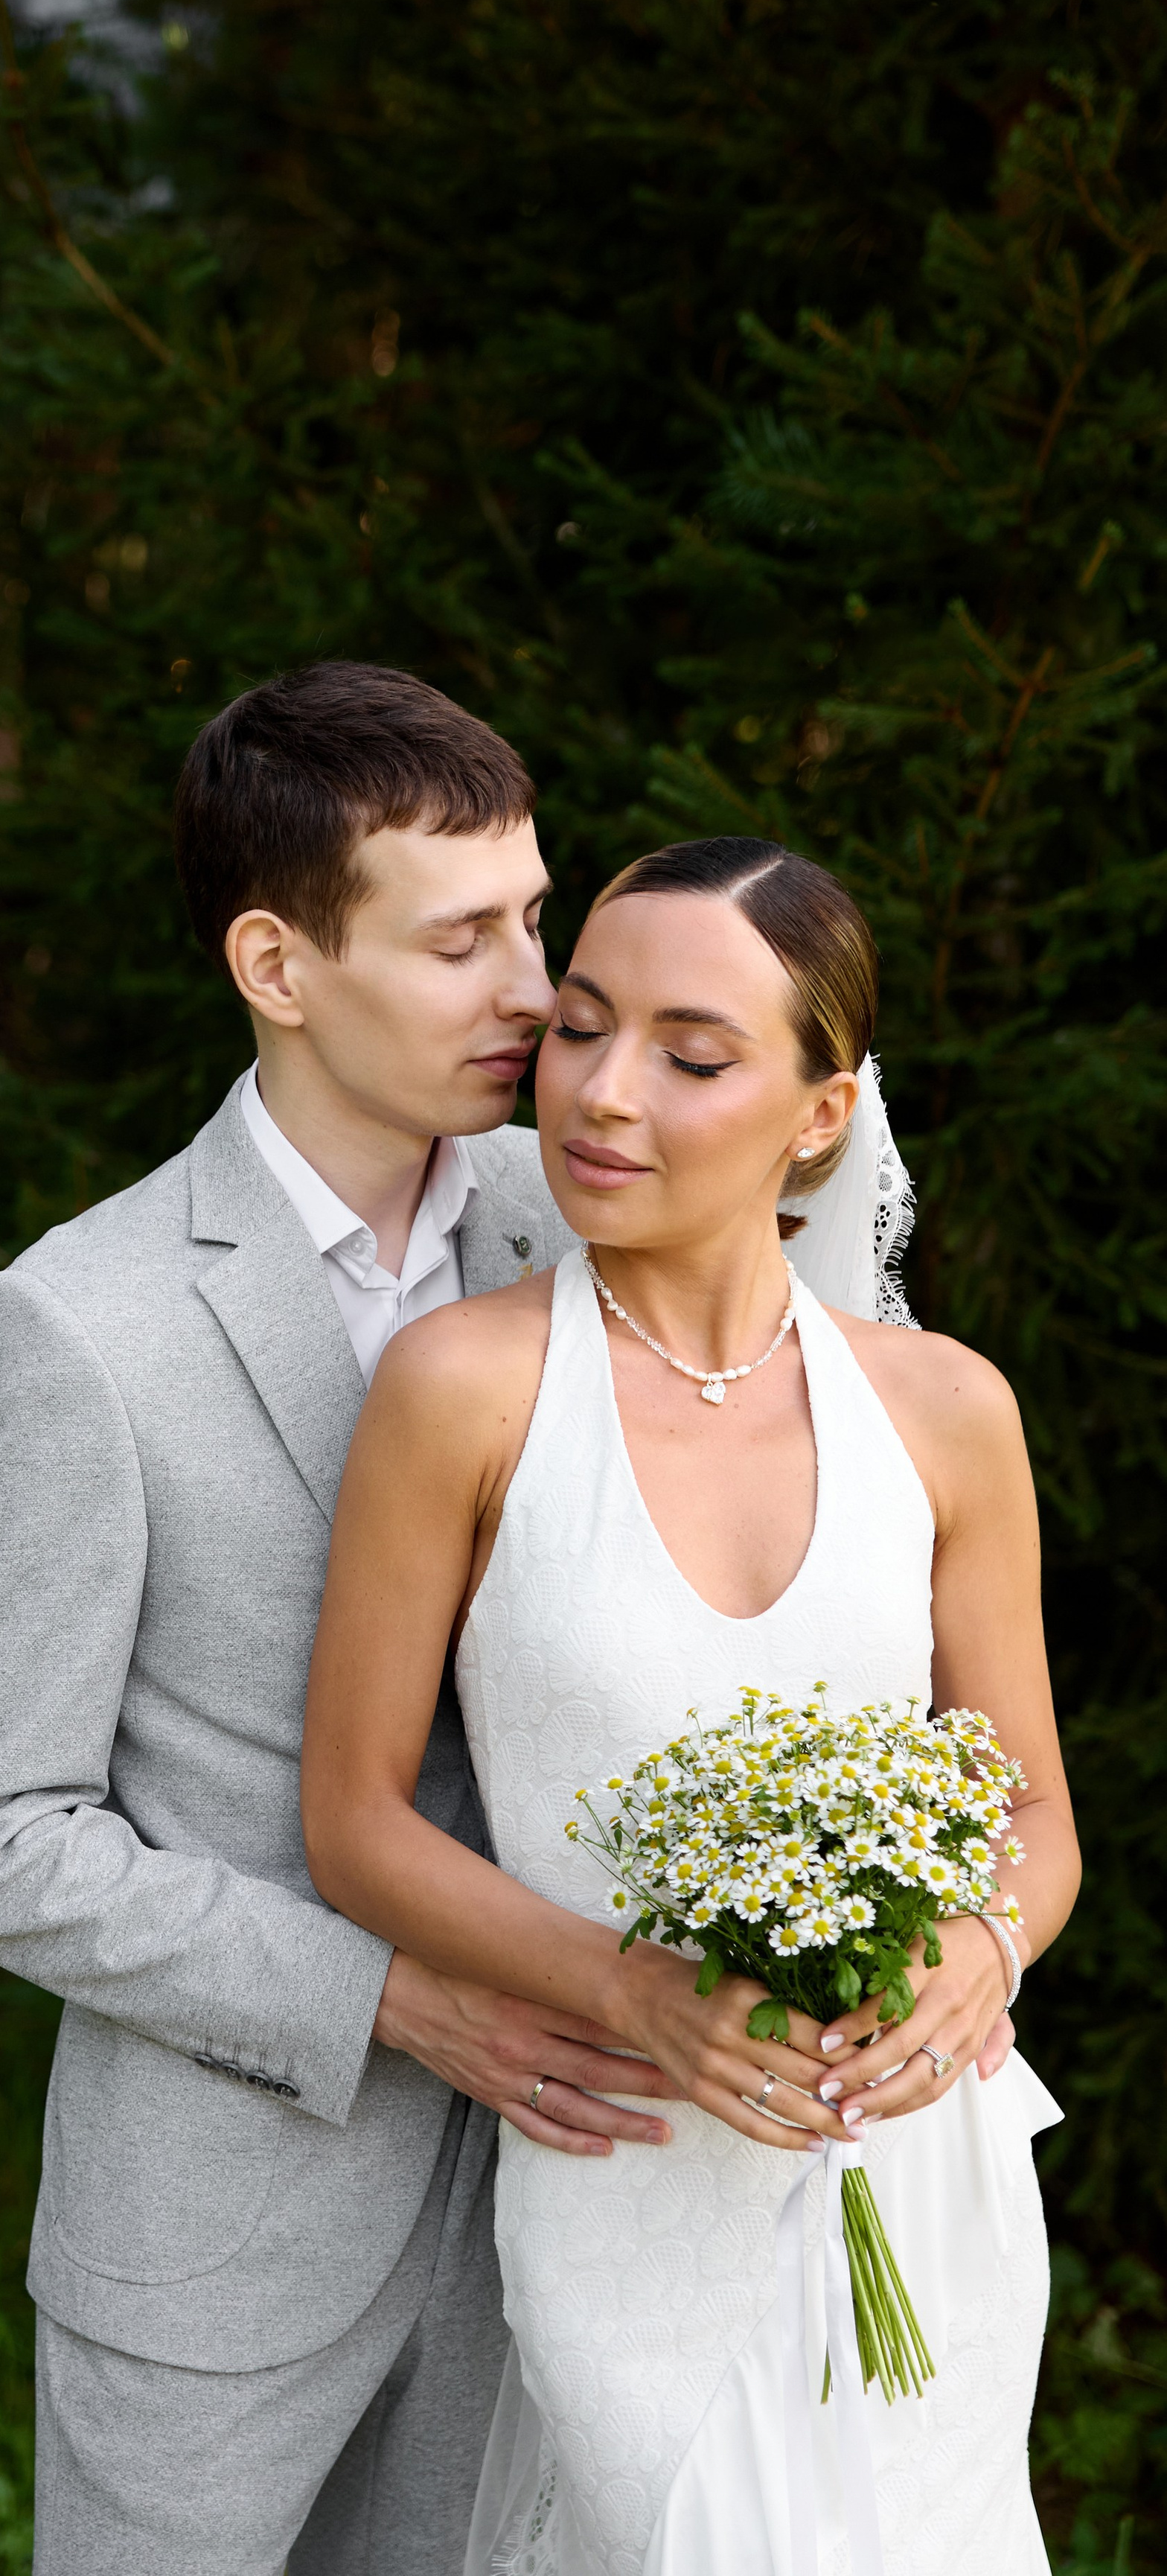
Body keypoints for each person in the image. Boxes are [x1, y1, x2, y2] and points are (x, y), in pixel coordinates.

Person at [0, 662, 682, 2576]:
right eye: (462, 938)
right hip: (216, 2238)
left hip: (568, 2221)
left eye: (533, 918)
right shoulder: (81, 1332)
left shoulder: (592, 1224)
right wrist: (392, 1998)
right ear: (276, 962)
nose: (533, 990)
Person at [302, 835, 1075, 2575]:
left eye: (691, 1055)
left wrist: (976, 1952)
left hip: (916, 2165)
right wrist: (627, 1991)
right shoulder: (465, 1388)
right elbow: (349, 1820)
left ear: (821, 1111)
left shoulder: (946, 1412)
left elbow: (1031, 1814)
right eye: (578, 1029)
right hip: (628, 2155)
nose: (600, 1094)